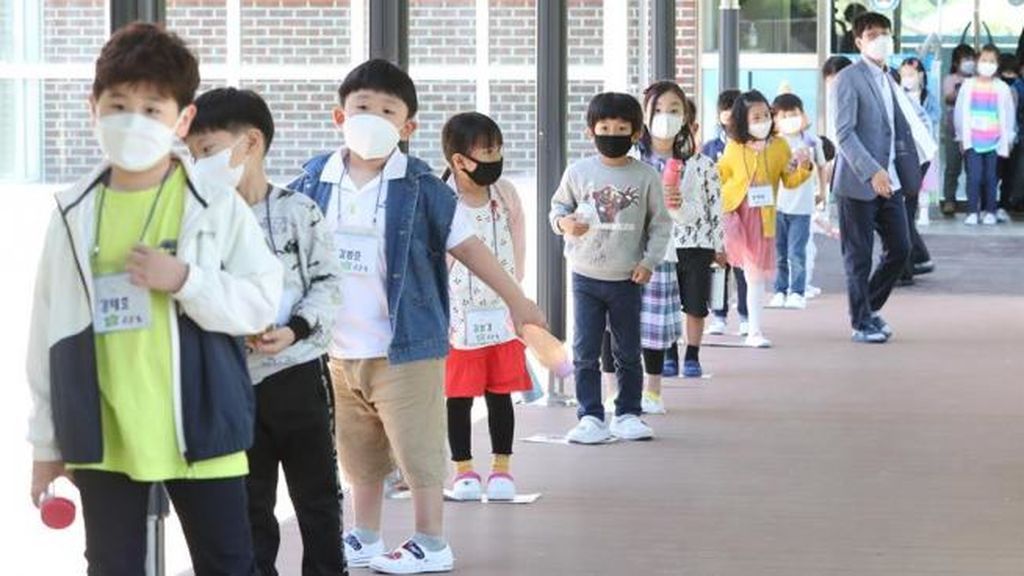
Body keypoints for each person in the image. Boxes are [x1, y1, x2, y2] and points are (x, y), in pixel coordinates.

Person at [27, 23, 284, 575]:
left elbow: (262, 300)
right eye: (118, 104)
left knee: (229, 565)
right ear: (92, 107)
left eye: (152, 109)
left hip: (203, 427)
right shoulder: (72, 214)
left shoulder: (213, 202)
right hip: (104, 433)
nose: (132, 121)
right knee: (112, 567)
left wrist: (186, 280)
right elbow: (47, 334)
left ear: (182, 119)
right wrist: (45, 444)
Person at [288, 59, 545, 574]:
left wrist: (517, 300)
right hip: (338, 347)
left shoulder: (423, 188)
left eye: (387, 110)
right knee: (358, 451)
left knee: (418, 446)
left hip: (406, 344)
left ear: (408, 128)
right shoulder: (315, 181)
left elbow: (469, 248)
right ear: (339, 115)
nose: (372, 117)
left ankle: (431, 541)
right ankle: (363, 535)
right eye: (362, 107)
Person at [187, 88, 345, 576]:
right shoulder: (199, 220)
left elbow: (329, 283)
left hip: (299, 376)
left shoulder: (300, 210)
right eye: (193, 156)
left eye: (208, 151)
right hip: (234, 383)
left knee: (317, 499)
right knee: (249, 505)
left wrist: (295, 330)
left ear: (251, 142)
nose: (199, 165)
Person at [549, 92, 672, 444]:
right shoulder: (578, 172)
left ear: (636, 134)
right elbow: (557, 210)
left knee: (628, 349)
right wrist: (564, 225)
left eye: (622, 128)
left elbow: (661, 224)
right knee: (585, 349)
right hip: (585, 275)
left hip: (627, 278)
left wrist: (649, 262)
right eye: (605, 127)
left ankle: (628, 413)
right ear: (591, 131)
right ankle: (590, 415)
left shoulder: (646, 176)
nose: (612, 133)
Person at [438, 112, 531, 502]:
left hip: (502, 314)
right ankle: (463, 470)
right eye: (486, 152)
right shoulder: (442, 199)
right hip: (458, 318)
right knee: (458, 396)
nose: (495, 159)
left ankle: (502, 470)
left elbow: (518, 238)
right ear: (459, 161)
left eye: (498, 150)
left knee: (500, 393)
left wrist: (516, 292)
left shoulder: (505, 193)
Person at [833, 12, 931, 343]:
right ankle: (861, 323)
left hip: (892, 183)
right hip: (858, 183)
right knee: (858, 256)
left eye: (885, 33)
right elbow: (844, 134)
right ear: (859, 41)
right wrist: (871, 169)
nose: (880, 39)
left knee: (901, 249)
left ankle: (867, 308)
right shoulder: (849, 78)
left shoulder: (889, 77)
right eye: (872, 34)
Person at [718, 90, 812, 348]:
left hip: (762, 216)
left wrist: (804, 166)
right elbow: (722, 175)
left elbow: (789, 180)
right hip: (734, 214)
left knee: (755, 275)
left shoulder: (780, 145)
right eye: (755, 116)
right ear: (742, 120)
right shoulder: (733, 146)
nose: (762, 121)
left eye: (765, 115)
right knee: (729, 268)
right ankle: (722, 316)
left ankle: (754, 329)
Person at [768, 93, 827, 311]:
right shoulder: (773, 143)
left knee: (797, 252)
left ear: (802, 115)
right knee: (780, 253)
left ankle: (797, 291)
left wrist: (822, 192)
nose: (789, 118)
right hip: (777, 206)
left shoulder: (812, 141)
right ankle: (780, 290)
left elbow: (822, 167)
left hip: (802, 207)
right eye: (783, 115)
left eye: (793, 114)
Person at [954, 44, 1018, 226]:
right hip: (973, 140)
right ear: (977, 62)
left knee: (991, 177)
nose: (987, 64)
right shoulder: (968, 85)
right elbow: (960, 113)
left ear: (997, 64)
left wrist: (1009, 137)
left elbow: (1008, 114)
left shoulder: (1002, 88)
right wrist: (960, 136)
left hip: (994, 141)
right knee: (974, 177)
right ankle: (972, 211)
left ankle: (990, 210)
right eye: (984, 60)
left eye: (991, 61)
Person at [702, 88, 748, 338]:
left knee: (742, 268)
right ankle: (718, 315)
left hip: (743, 216)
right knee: (718, 267)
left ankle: (745, 315)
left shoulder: (749, 146)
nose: (729, 114)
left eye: (735, 108)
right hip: (717, 218)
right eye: (725, 109)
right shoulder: (711, 146)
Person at [896, 57, 938, 282]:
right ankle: (917, 260)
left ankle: (909, 266)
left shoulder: (902, 101)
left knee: (900, 215)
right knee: (902, 215)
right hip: (914, 160)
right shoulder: (903, 100)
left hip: (914, 161)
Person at [941, 44, 977, 215]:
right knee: (952, 167)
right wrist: (964, 90)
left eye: (971, 59)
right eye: (965, 59)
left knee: (973, 168)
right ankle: (949, 199)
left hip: (974, 130)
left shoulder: (979, 80)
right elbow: (948, 97)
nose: (969, 63)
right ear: (956, 63)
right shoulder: (950, 79)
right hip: (953, 129)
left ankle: (974, 200)